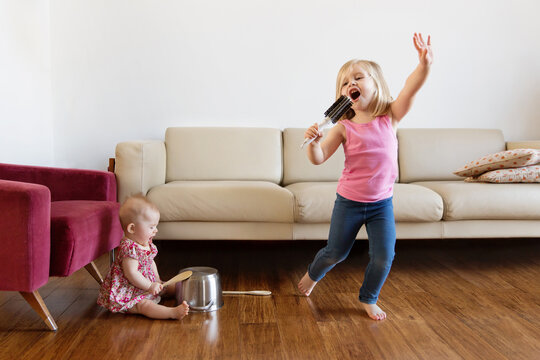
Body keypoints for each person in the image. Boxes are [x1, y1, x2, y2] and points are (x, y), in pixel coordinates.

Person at [297, 33, 433, 320]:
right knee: (335, 252)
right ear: (342, 95)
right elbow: (319, 158)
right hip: (349, 202)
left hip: (382, 204)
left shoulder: (391, 116)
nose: (352, 84)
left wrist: (424, 65)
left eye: (359, 77)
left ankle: (368, 298)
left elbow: (410, 89)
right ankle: (312, 275)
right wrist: (311, 144)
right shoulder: (343, 127)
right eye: (345, 82)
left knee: (384, 256)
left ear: (376, 84)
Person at [97, 194, 190, 320]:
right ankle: (171, 313)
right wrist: (150, 286)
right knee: (144, 305)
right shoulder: (130, 249)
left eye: (155, 226)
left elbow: (150, 262)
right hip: (130, 292)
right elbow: (132, 274)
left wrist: (156, 279)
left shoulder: (144, 243)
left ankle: (188, 291)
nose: (155, 230)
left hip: (146, 285)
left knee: (167, 287)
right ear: (132, 228)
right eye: (151, 227)